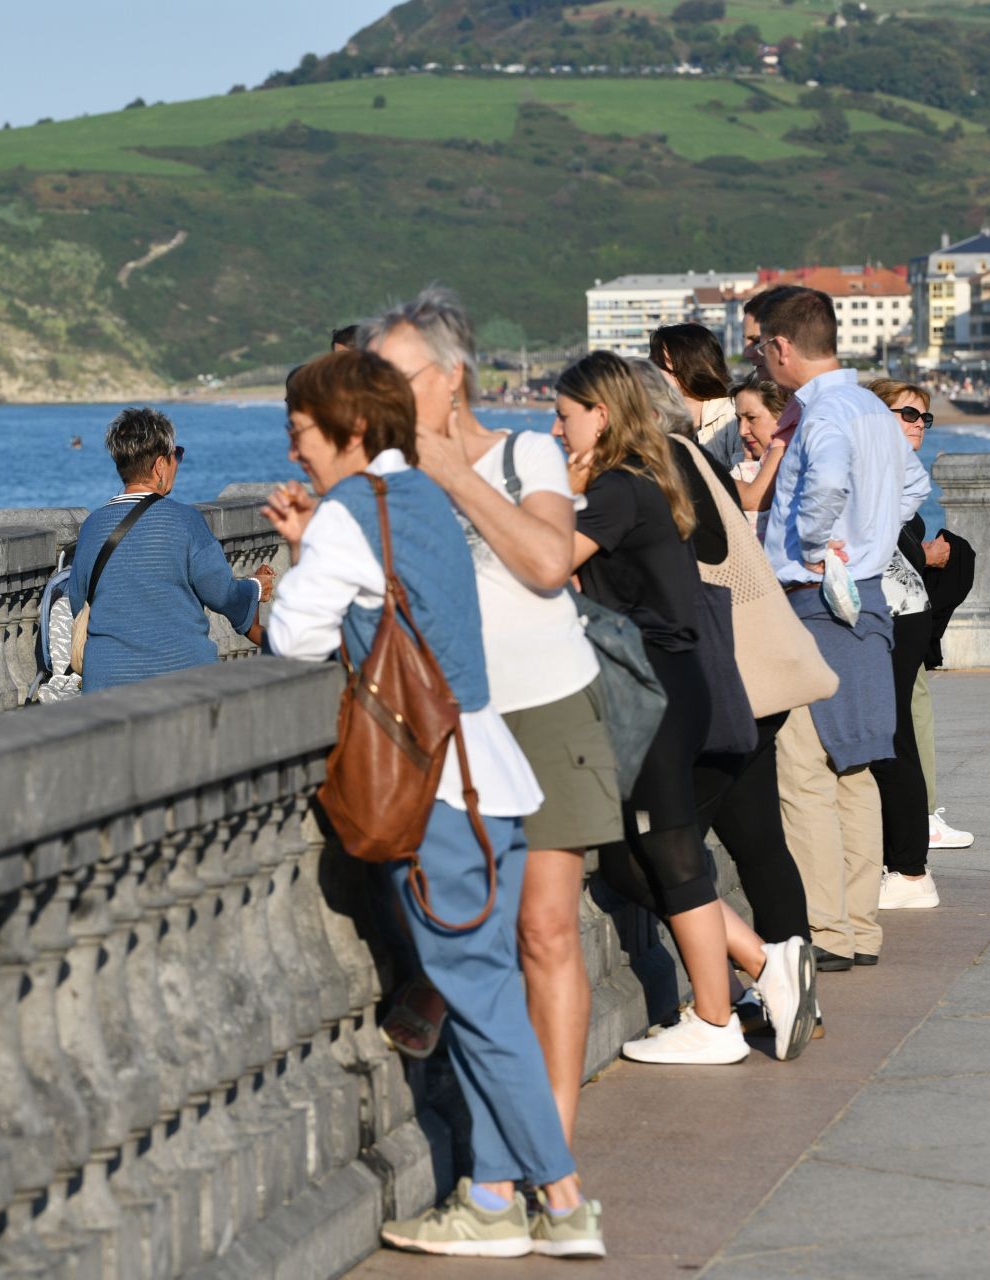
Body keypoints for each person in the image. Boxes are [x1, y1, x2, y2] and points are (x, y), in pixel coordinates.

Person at [262, 349, 603, 1258]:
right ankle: (492, 1196)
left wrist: (300, 564)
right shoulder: (416, 496)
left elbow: (293, 636)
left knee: (484, 1005)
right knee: (491, 992)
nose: (295, 451)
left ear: (347, 430)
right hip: (495, 775)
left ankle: (561, 1199)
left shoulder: (348, 514)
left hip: (439, 792)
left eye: (300, 432)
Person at [359, 287, 621, 1141]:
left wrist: (452, 474)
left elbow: (548, 561)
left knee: (546, 932)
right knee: (472, 929)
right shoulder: (389, 481)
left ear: (451, 377)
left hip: (547, 712)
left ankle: (553, 1148)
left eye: (396, 376)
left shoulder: (522, 459)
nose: (382, 394)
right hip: (456, 729)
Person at [591, 357, 814, 1063]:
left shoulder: (655, 472)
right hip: (736, 681)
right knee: (752, 839)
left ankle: (760, 973)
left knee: (650, 857)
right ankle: (782, 970)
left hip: (716, 676)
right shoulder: (687, 459)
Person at [758, 288, 931, 971]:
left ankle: (827, 930)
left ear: (781, 345)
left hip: (819, 597)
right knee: (856, 763)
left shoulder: (827, 413)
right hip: (867, 597)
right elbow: (914, 487)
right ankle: (859, 927)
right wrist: (873, 537)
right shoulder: (870, 409)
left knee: (804, 768)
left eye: (762, 348)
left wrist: (813, 546)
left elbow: (826, 483)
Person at [69, 407, 273, 694]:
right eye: (176, 454)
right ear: (160, 466)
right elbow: (223, 595)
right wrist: (254, 587)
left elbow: (79, 602)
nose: (178, 461)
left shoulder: (92, 526)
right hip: (181, 681)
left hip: (106, 687)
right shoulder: (185, 521)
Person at [867, 379, 968, 905]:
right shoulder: (888, 467)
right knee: (895, 731)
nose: (916, 424)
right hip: (900, 611)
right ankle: (905, 860)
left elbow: (880, 535)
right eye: (906, 414)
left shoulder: (889, 469)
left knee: (892, 736)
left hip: (895, 611)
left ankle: (908, 870)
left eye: (921, 418)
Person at [650, 323, 744, 473]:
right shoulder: (655, 417)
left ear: (687, 365)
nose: (652, 371)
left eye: (658, 363)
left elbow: (744, 478)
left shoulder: (735, 414)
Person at [730, 372, 790, 523]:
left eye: (751, 418)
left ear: (782, 415)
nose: (742, 431)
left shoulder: (791, 462)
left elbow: (754, 502)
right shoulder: (743, 457)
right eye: (739, 419)